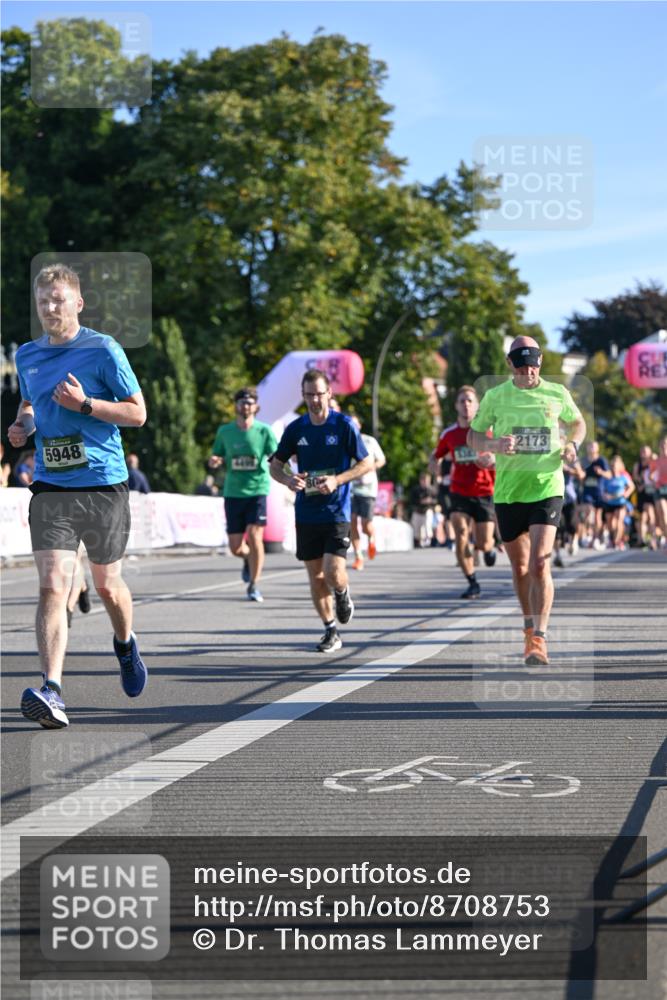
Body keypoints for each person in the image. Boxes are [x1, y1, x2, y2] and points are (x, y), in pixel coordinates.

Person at [8, 262, 148, 729]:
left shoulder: (103, 350)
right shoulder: (28, 355)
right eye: (43, 301)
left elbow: (137, 413)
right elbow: (29, 404)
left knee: (107, 586)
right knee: (53, 586)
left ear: (78, 303)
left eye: (59, 300)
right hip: (51, 487)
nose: (50, 308)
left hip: (104, 484)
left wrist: (86, 405)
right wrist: (22, 426)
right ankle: (51, 689)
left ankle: (125, 644)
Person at [467, 336, 586, 666]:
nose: (528, 372)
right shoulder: (495, 397)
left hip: (547, 487)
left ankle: (539, 638)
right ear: (510, 365)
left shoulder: (557, 393)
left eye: (533, 365)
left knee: (538, 564)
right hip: (508, 492)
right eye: (521, 366)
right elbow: (473, 436)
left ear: (541, 362)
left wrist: (573, 445)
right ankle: (527, 625)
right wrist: (492, 446)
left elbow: (578, 423)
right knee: (520, 569)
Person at [269, 369, 372, 652]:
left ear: (330, 394)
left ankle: (342, 592)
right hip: (306, 513)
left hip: (337, 511)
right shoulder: (296, 429)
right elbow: (275, 465)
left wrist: (337, 480)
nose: (315, 399)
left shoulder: (344, 425)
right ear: (303, 397)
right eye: (309, 394)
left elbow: (366, 462)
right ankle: (330, 630)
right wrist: (288, 479)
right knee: (314, 576)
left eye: (319, 393)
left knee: (332, 571)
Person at [209, 387, 278, 603]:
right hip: (233, 492)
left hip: (257, 489)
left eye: (249, 403)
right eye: (241, 402)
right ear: (236, 406)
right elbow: (217, 455)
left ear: (256, 407)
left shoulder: (264, 431)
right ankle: (248, 558)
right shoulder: (225, 432)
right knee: (236, 547)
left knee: (255, 535)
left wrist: (283, 462)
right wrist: (215, 461)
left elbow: (276, 455)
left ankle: (254, 584)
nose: (245, 406)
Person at [432, 385, 496, 598]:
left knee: (483, 541)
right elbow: (437, 455)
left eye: (470, 400)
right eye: (462, 401)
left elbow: (505, 455)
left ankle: (488, 549)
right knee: (460, 534)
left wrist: (493, 460)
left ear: (477, 405)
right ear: (456, 406)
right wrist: (434, 465)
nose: (466, 404)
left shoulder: (488, 431)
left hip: (485, 491)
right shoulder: (449, 434)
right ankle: (472, 582)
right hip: (459, 490)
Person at [349, 415, 386, 571]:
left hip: (368, 488)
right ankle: (358, 556)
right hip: (351, 487)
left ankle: (371, 539)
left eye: (355, 424)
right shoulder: (345, 442)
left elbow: (382, 460)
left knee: (366, 525)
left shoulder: (369, 441)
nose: (353, 427)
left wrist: (370, 467)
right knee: (352, 521)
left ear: (360, 426)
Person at [580, 441, 611, 549]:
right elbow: (580, 475)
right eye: (590, 446)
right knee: (588, 512)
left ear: (597, 449)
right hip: (587, 492)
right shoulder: (584, 460)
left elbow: (609, 475)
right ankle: (587, 534)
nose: (591, 448)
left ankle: (595, 538)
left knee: (598, 517)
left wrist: (601, 472)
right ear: (587, 448)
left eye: (594, 446)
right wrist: (581, 476)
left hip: (599, 492)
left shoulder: (601, 460)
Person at [600, 455, 634, 550]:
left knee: (619, 520)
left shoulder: (623, 477)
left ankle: (617, 541)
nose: (614, 468)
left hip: (621, 502)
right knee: (611, 524)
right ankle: (612, 538)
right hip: (610, 503)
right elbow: (602, 489)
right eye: (613, 466)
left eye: (616, 466)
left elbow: (632, 486)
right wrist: (604, 495)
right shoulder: (607, 477)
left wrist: (626, 493)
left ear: (619, 467)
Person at [632, 445, 658, 549]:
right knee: (642, 518)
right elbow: (635, 478)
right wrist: (640, 482)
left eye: (645, 451)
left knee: (651, 516)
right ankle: (641, 539)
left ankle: (653, 540)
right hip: (641, 494)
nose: (643, 452)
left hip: (651, 493)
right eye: (642, 450)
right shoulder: (637, 465)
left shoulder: (653, 462)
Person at [409, 472, 438, 548]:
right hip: (418, 511)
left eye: (427, 480)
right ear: (420, 481)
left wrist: (430, 501)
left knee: (427, 526)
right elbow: (412, 501)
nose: (425, 482)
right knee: (416, 528)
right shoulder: (416, 490)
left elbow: (437, 501)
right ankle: (417, 542)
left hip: (427, 510)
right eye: (424, 480)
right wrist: (420, 501)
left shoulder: (432, 490)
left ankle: (429, 541)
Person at [650, 436, 667, 548]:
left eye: (665, 444)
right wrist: (654, 478)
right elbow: (651, 475)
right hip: (659, 488)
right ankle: (665, 538)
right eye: (662, 444)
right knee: (661, 513)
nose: (663, 446)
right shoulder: (655, 461)